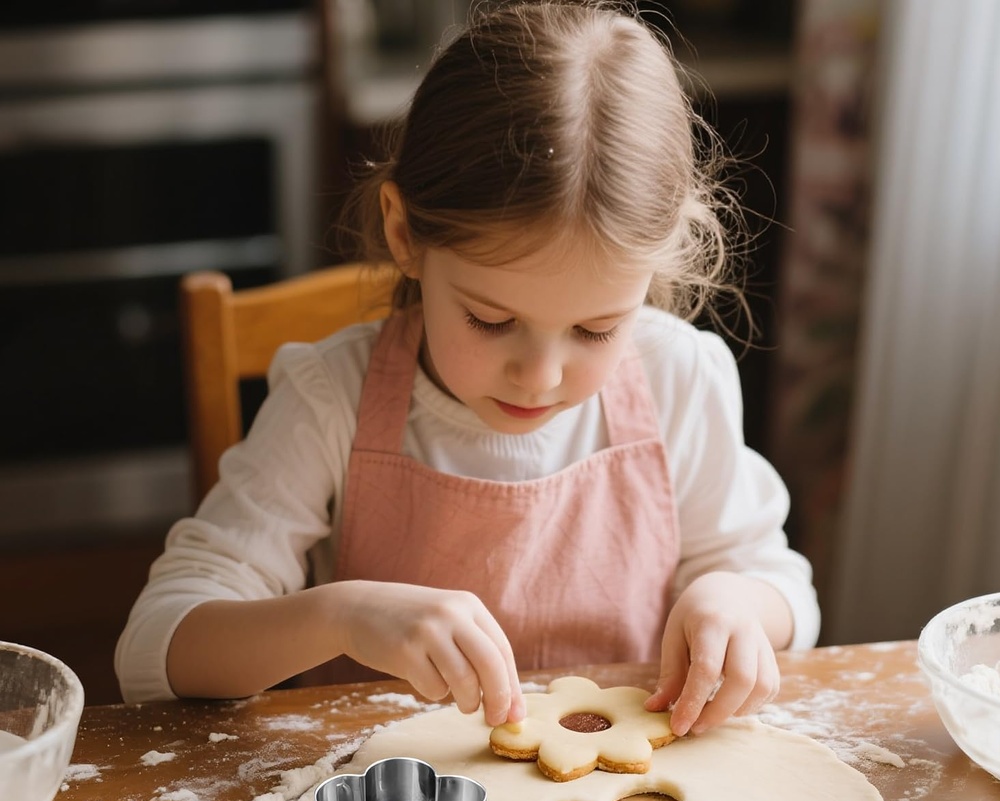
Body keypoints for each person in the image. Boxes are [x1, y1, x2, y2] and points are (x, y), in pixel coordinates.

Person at [116, 0, 820, 736]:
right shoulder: (332, 400)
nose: (541, 375)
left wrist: (738, 604)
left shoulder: (679, 379)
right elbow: (154, 648)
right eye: (492, 320)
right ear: (403, 233)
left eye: (596, 328)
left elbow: (785, 592)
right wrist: (341, 616)